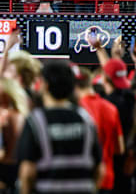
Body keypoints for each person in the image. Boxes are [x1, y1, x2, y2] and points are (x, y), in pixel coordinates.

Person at [18, 60, 103, 194]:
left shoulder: (35, 121)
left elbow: (28, 172)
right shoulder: (86, 119)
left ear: (45, 85)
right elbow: (99, 169)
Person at [75, 66, 124, 194]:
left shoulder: (75, 110)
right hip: (106, 178)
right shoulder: (111, 108)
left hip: (81, 178)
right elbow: (120, 148)